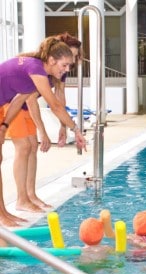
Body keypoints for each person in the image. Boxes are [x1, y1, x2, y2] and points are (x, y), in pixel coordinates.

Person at [0, 36, 87, 226]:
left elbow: (17, 101)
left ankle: (3, 212)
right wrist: (76, 129)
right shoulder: (36, 69)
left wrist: (4, 125)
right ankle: (2, 214)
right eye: (64, 65)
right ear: (51, 60)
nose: (66, 70)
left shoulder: (33, 74)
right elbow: (55, 105)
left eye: (69, 66)